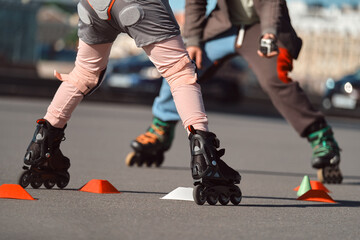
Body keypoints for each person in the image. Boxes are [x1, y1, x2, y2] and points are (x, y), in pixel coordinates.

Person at [18, 0, 242, 205]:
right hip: (138, 5)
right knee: (179, 73)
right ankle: (206, 160)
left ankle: (41, 148)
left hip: (92, 6)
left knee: (83, 74)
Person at [127, 0, 343, 184]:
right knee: (181, 66)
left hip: (264, 28)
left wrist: (269, 33)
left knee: (275, 78)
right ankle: (161, 129)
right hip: (223, 27)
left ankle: (321, 136)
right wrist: (193, 39)